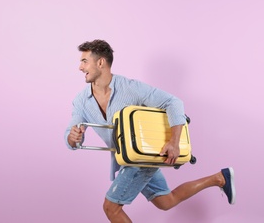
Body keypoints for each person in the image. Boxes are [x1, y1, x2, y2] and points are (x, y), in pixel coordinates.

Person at [64, 39, 236, 222]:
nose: (80, 67)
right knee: (166, 202)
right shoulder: (81, 100)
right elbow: (71, 133)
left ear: (100, 62)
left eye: (84, 61)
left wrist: (174, 142)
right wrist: (73, 138)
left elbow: (173, 102)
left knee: (111, 208)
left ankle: (219, 178)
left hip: (140, 158)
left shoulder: (130, 88)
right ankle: (219, 178)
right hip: (125, 159)